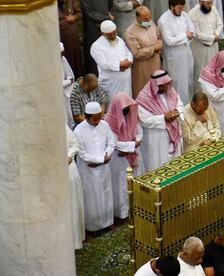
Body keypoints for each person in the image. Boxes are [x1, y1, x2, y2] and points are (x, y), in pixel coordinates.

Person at [73, 101, 115, 232]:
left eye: (99, 118)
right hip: (88, 170)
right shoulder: (79, 130)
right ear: (86, 117)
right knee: (92, 198)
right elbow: (83, 154)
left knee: (106, 193)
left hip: (104, 167)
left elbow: (111, 142)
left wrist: (105, 156)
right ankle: (93, 227)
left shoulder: (105, 125)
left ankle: (107, 223)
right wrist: (100, 159)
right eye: (94, 119)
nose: (97, 122)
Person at [135, 70, 183, 172]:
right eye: (162, 86)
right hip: (157, 137)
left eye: (167, 85)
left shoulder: (170, 90)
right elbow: (145, 120)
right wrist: (163, 118)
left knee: (175, 165)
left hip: (173, 132)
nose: (165, 88)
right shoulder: (144, 98)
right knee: (158, 165)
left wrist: (176, 111)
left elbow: (179, 103)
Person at [105, 92, 142, 220]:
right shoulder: (109, 122)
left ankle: (136, 208)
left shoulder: (131, 115)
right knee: (121, 186)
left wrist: (135, 142)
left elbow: (139, 131)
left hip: (133, 155)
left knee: (135, 181)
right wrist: (132, 145)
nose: (126, 110)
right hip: (119, 159)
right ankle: (123, 214)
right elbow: (115, 143)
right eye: (124, 108)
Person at [158, 0, 196, 103]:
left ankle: (189, 104)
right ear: (171, 7)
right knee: (178, 82)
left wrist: (186, 37)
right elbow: (169, 41)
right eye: (179, 8)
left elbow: (192, 30)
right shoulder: (164, 20)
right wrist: (185, 36)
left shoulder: (184, 15)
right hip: (174, 56)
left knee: (189, 79)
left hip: (186, 51)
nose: (181, 10)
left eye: (182, 7)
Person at [80, 0, 114, 73]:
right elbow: (89, 13)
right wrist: (106, 18)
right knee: (94, 54)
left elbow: (110, 4)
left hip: (107, 26)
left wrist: (107, 17)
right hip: (92, 29)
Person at [124, 6, 163, 96]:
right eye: (145, 18)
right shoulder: (130, 32)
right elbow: (137, 53)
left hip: (156, 64)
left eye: (150, 17)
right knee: (144, 92)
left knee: (157, 90)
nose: (149, 20)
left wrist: (159, 44)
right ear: (138, 18)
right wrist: (154, 49)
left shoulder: (151, 24)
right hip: (142, 67)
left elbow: (158, 37)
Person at [91, 19, 133, 98]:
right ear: (102, 33)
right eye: (110, 34)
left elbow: (128, 53)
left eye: (114, 32)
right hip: (111, 83)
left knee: (126, 102)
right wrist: (120, 65)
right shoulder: (96, 46)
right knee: (113, 104)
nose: (113, 36)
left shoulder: (119, 40)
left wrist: (129, 61)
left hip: (126, 81)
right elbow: (104, 64)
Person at [187, 0, 223, 81]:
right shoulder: (192, 14)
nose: (210, 5)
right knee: (201, 71)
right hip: (200, 48)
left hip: (213, 46)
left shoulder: (213, 9)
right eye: (208, 3)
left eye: (211, 2)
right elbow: (197, 34)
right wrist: (212, 38)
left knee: (214, 69)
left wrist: (216, 34)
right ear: (200, 2)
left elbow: (220, 23)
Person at [65, 125, 85, 249]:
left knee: (72, 206)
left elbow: (74, 145)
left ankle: (74, 242)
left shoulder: (62, 126)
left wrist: (69, 156)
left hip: (69, 170)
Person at [58, 0, 84, 76]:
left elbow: (80, 13)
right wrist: (66, 21)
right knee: (67, 59)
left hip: (74, 38)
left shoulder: (70, 0)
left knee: (76, 58)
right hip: (63, 39)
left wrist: (74, 18)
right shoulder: (52, 6)